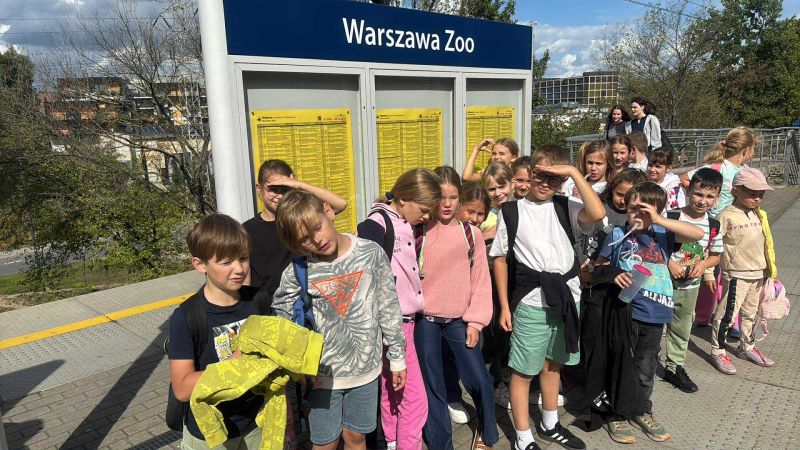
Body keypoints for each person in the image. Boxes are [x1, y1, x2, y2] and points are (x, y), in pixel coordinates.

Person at [271, 191, 407, 450]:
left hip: (366, 370)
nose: (317, 240)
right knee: (325, 443)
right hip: (321, 377)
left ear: (328, 211)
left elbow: (388, 307)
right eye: (305, 239)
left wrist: (397, 357)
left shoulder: (370, 253)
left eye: (317, 227)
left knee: (356, 438)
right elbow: (282, 318)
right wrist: (298, 366)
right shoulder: (298, 271)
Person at [492, 144, 606, 450]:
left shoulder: (566, 206)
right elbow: (499, 259)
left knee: (554, 365)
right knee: (523, 371)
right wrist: (504, 306)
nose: (546, 183)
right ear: (530, 173)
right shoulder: (511, 211)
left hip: (568, 297)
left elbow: (598, 213)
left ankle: (550, 422)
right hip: (531, 302)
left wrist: (572, 172)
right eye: (541, 175)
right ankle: (522, 436)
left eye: (554, 178)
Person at [594, 182, 703, 443]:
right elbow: (599, 267)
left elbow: (697, 234)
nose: (638, 215)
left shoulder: (663, 235)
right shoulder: (616, 233)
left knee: (646, 366)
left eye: (646, 210)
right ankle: (616, 413)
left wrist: (658, 219)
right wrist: (614, 274)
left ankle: (641, 409)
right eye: (634, 208)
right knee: (620, 362)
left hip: (656, 314)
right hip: (625, 312)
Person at [357, 168, 441, 450]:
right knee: (415, 401)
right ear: (404, 198)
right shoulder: (377, 225)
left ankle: (392, 441)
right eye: (424, 210)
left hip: (401, 321)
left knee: (393, 389)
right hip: (394, 324)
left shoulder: (395, 221)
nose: (426, 217)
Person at [414, 167, 497, 450]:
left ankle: (488, 433)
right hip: (425, 322)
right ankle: (441, 443)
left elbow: (481, 280)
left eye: (453, 197)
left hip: (459, 321)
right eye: (441, 197)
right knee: (433, 387)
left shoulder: (471, 234)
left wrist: (476, 322)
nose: (447, 204)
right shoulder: (418, 231)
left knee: (480, 378)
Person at [168, 213, 265, 450]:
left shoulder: (259, 301)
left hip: (256, 423)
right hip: (210, 434)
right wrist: (235, 363)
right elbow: (182, 388)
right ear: (199, 264)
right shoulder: (187, 317)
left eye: (243, 258)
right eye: (226, 262)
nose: (239, 269)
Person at [572, 169, 647, 443]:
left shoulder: (643, 223)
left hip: (629, 300)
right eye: (620, 194)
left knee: (629, 354)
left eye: (633, 200)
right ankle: (603, 405)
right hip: (598, 292)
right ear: (611, 190)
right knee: (598, 350)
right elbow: (586, 252)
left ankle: (630, 404)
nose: (624, 202)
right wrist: (590, 269)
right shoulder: (601, 215)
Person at [682, 127, 757, 327]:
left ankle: (705, 317)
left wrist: (698, 203)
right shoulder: (734, 171)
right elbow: (686, 180)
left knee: (713, 271)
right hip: (725, 228)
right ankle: (726, 320)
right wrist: (706, 202)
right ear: (746, 150)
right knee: (726, 274)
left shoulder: (722, 168)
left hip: (717, 226)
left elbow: (684, 178)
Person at [709, 167, 778, 375]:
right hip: (737, 274)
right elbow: (713, 245)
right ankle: (717, 351)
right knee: (727, 314)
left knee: (751, 313)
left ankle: (747, 346)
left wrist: (771, 270)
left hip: (758, 272)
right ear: (736, 191)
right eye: (752, 193)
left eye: (761, 194)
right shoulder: (726, 216)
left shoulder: (759, 214)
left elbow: (767, 244)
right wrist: (708, 272)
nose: (757, 198)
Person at [243, 159, 347, 294]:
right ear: (259, 188)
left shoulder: (300, 221)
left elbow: (340, 204)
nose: (279, 196)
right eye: (273, 190)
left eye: (284, 189)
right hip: (266, 302)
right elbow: (245, 275)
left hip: (301, 296)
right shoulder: (247, 230)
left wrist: (298, 185)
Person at [664, 168, 723, 393]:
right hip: (662, 283)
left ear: (717, 198)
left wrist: (703, 265)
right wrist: (669, 262)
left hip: (689, 286)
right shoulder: (672, 216)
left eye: (709, 196)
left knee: (682, 326)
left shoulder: (714, 225)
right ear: (689, 191)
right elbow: (654, 246)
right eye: (698, 194)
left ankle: (674, 367)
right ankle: (644, 363)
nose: (702, 201)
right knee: (653, 326)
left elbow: (716, 256)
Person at [479, 162, 515, 241]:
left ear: (512, 184)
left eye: (501, 187)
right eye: (492, 189)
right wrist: (486, 235)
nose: (497, 193)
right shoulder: (483, 211)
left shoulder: (521, 209)